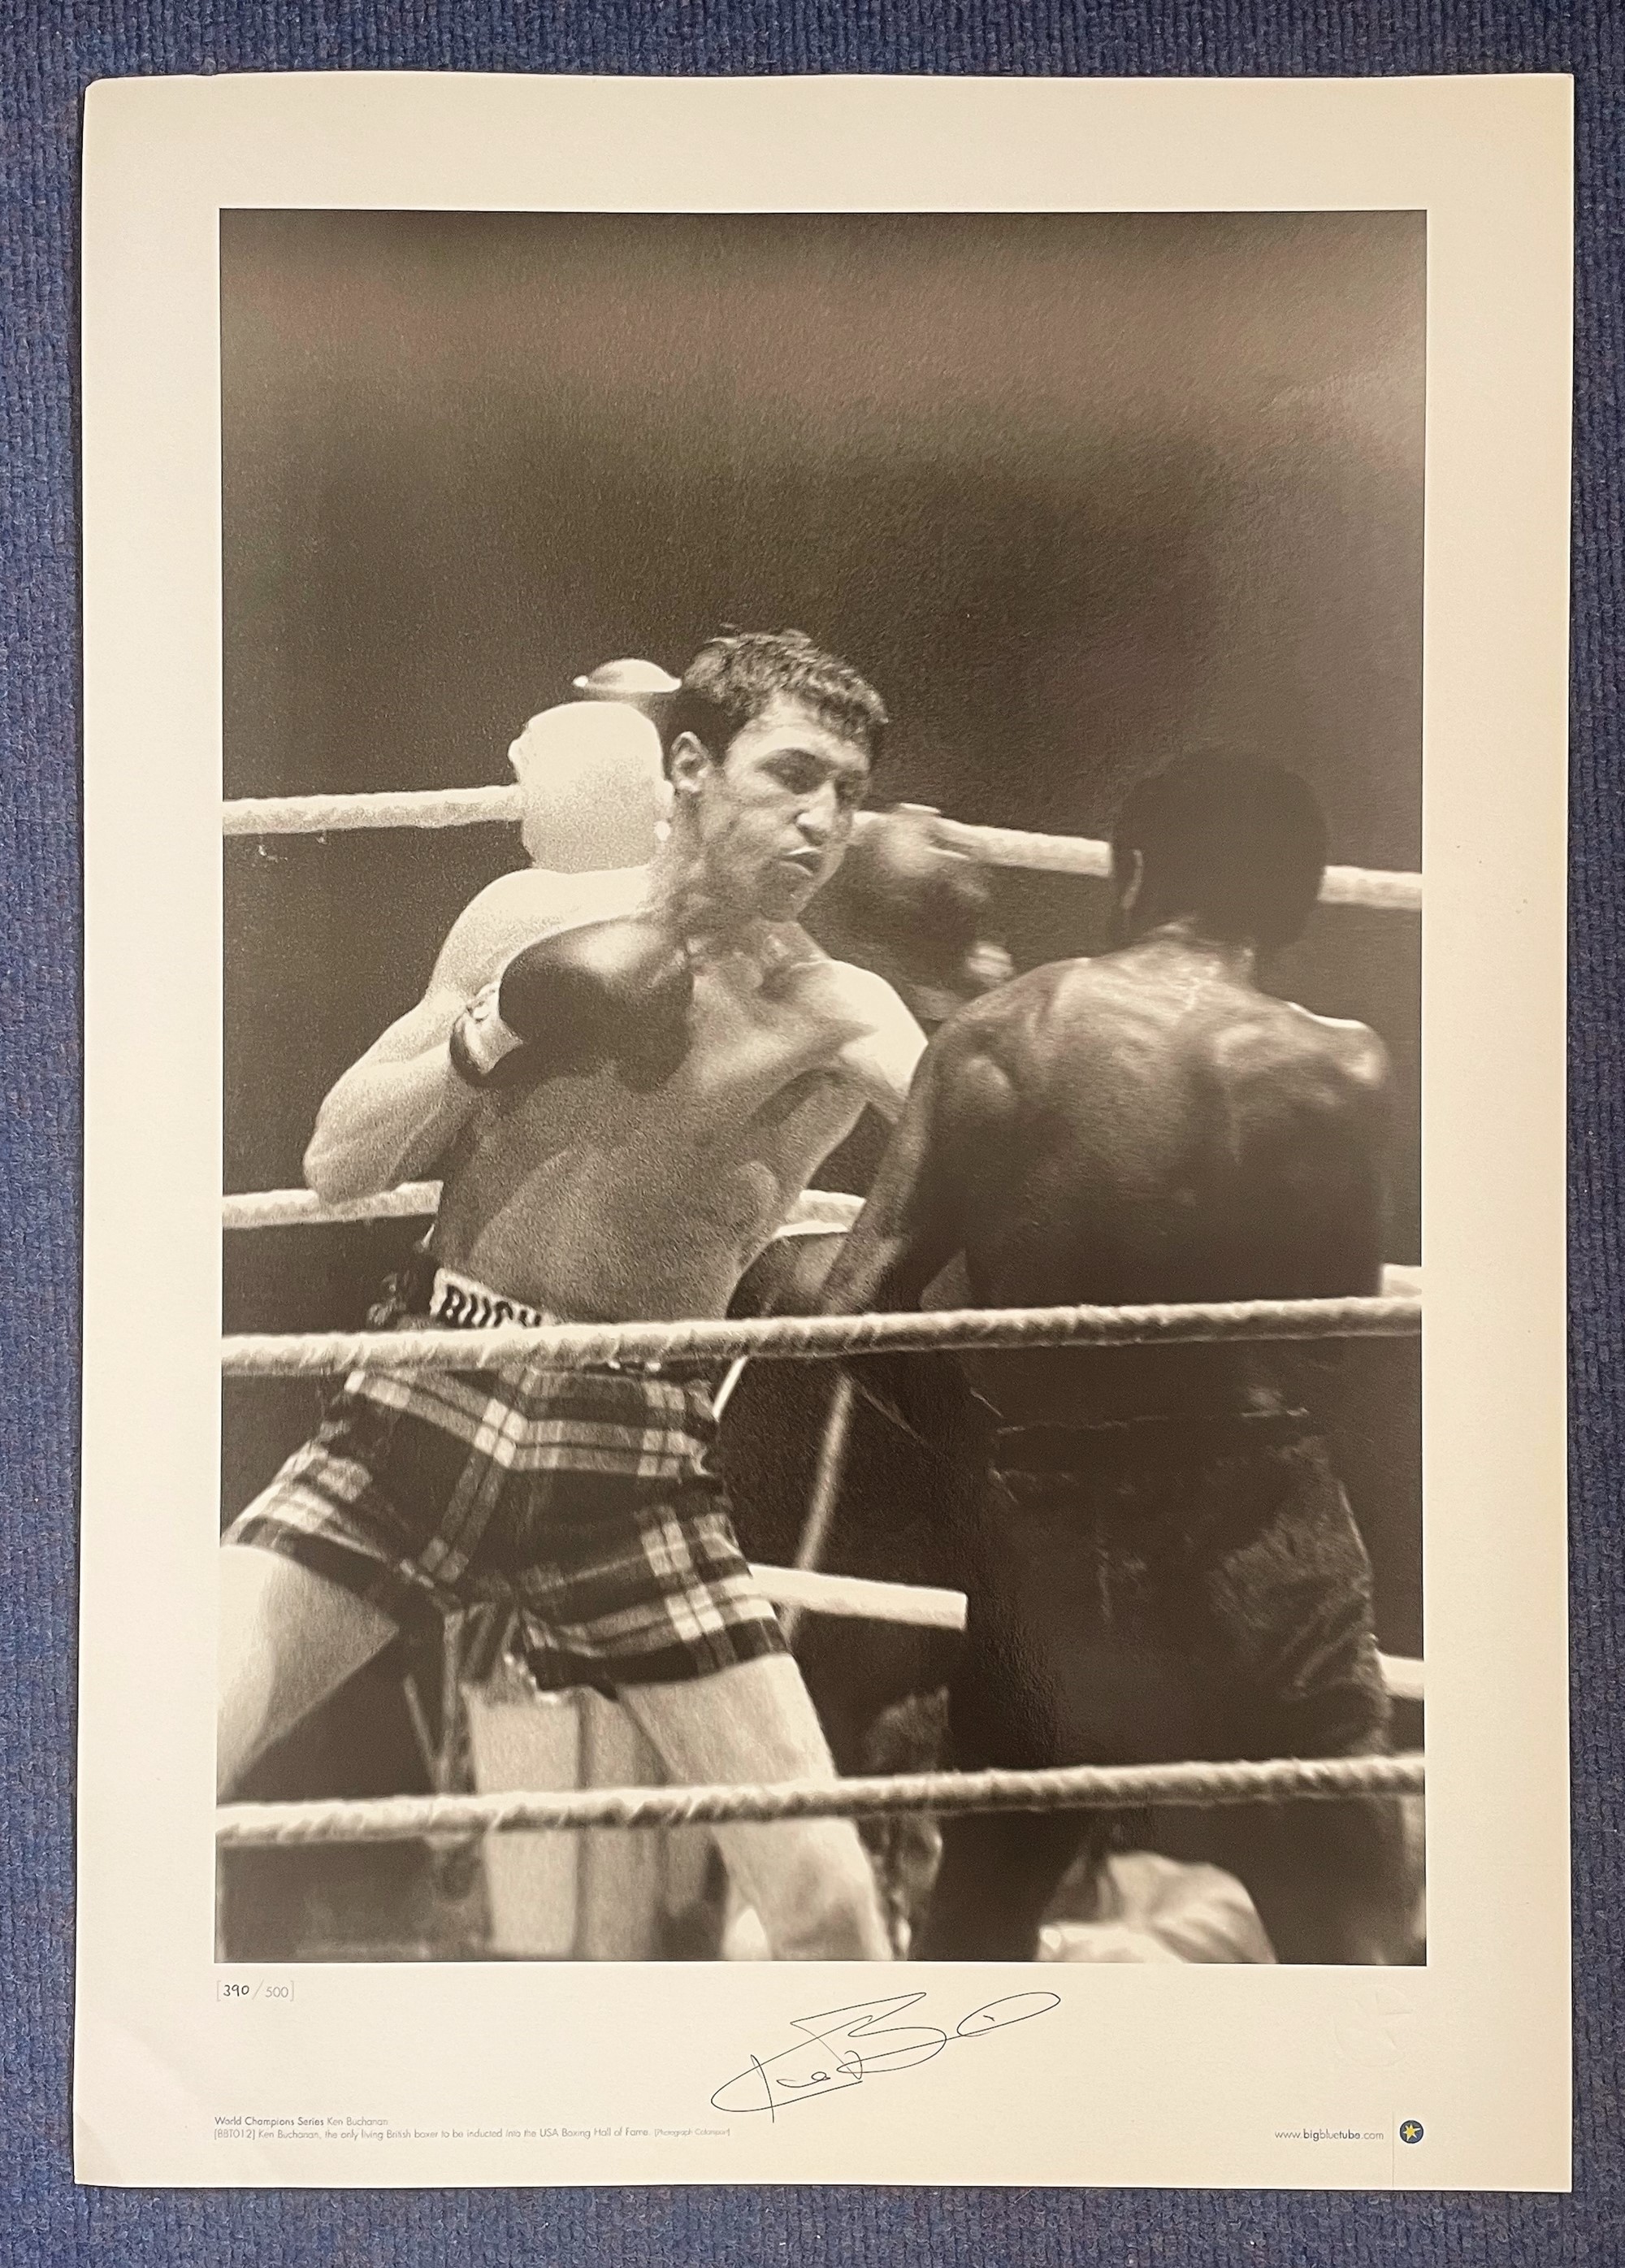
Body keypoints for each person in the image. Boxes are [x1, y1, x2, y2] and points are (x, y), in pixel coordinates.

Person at [220, 629, 931, 1962]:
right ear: (688, 764)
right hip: (426, 1392)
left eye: (849, 790)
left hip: (634, 1457)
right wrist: (496, 1024)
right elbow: (335, 1160)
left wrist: (996, 1011)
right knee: (166, 1748)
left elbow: (980, 1133)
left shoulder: (841, 1011)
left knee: (835, 1915)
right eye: (791, 774)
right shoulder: (519, 922)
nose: (824, 818)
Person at [816, 748, 1419, 1964]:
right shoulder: (1337, 1066)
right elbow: (1338, 1337)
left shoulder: (996, 1034)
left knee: (980, 1913)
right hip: (1258, 1533)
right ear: (1291, 903)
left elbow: (854, 1301)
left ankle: (929, 2155)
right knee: (1350, 1933)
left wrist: (994, 1456)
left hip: (1046, 1534)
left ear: (1135, 872)